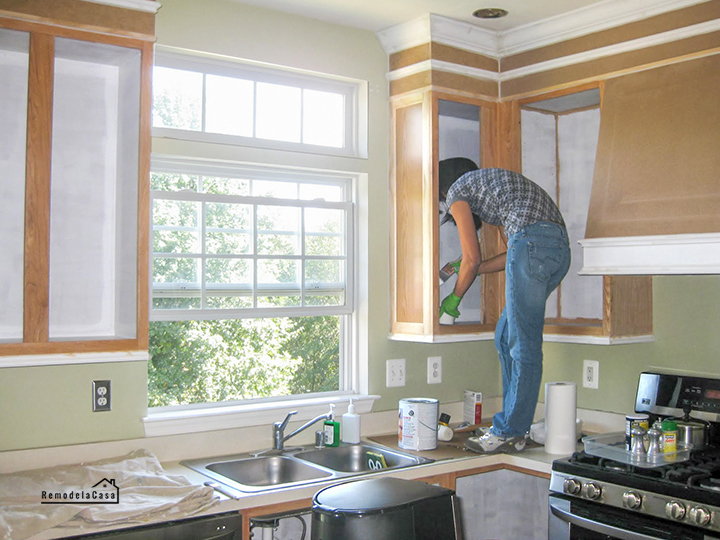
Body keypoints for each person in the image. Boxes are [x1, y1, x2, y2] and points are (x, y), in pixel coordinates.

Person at [438, 158, 571, 454]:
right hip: (557, 251)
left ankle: (509, 429)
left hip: (532, 247)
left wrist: (453, 301)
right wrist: (470, 267)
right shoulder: (493, 189)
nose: (446, 209)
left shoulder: (456, 192)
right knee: (504, 336)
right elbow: (508, 253)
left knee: (522, 346)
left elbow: (478, 256)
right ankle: (515, 428)